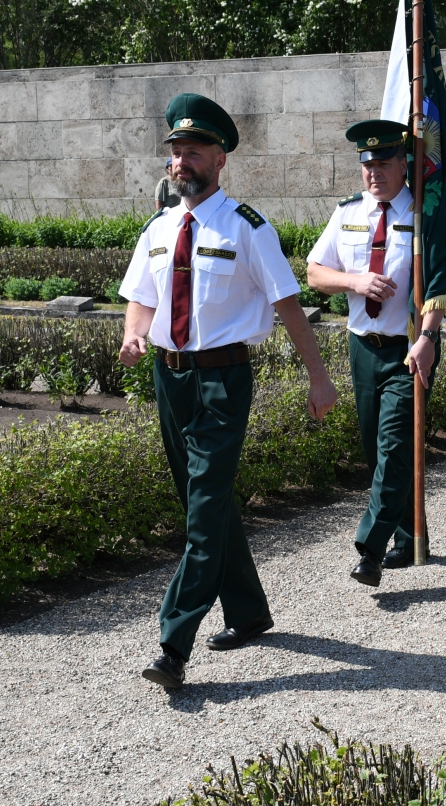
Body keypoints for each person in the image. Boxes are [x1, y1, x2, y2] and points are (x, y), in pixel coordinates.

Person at [118, 92, 338, 690]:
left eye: (194, 151)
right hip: (170, 376)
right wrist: (135, 334)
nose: (181, 161)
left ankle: (173, 645)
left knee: (204, 508)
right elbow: (141, 297)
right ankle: (249, 611)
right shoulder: (158, 228)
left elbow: (288, 305)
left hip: (222, 379)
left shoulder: (247, 227)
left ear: (220, 160)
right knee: (203, 501)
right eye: (176, 151)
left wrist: (319, 377)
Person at [305, 120, 444, 587]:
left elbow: (438, 283)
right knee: (377, 451)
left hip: (409, 348)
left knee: (394, 446)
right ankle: (408, 535)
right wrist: (355, 281)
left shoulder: (424, 212)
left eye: (383, 163)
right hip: (362, 347)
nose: (373, 172)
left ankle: (370, 550)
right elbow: (315, 272)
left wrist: (429, 338)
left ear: (403, 164)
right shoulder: (348, 212)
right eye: (367, 164)